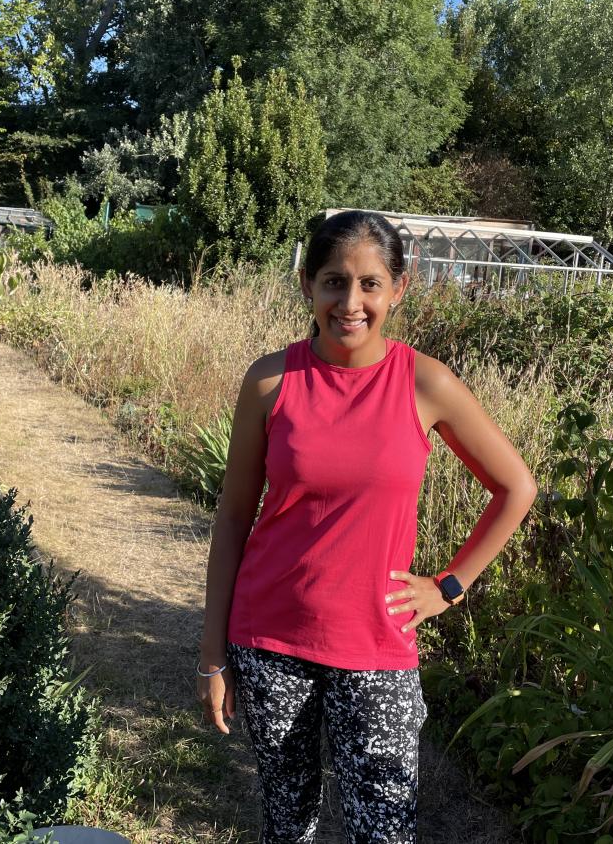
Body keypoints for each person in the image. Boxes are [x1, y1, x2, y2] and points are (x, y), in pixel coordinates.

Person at [196, 209, 539, 843]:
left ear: (398, 288)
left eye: (369, 284)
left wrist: (449, 586)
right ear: (307, 285)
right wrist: (213, 656)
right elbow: (235, 516)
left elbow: (516, 487)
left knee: (383, 831)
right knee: (287, 825)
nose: (350, 302)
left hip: (378, 647)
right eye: (333, 281)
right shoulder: (270, 381)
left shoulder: (425, 382)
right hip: (270, 639)